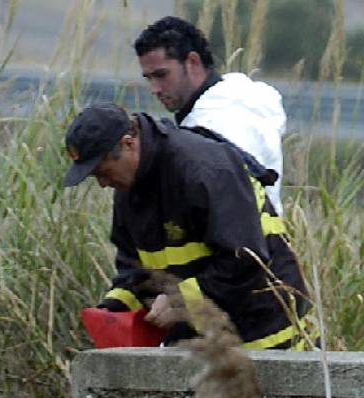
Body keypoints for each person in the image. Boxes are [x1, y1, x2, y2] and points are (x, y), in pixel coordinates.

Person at [62, 105, 307, 350]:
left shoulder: (204, 170)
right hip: (200, 342)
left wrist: (181, 302)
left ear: (128, 143)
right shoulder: (129, 187)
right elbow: (133, 266)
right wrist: (114, 309)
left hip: (268, 332)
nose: (103, 184)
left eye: (103, 172)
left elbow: (244, 262)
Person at [134, 15, 287, 211]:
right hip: (271, 235)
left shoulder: (210, 124)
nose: (154, 89)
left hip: (239, 238)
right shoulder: (244, 97)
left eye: (161, 75)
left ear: (193, 61)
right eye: (149, 78)